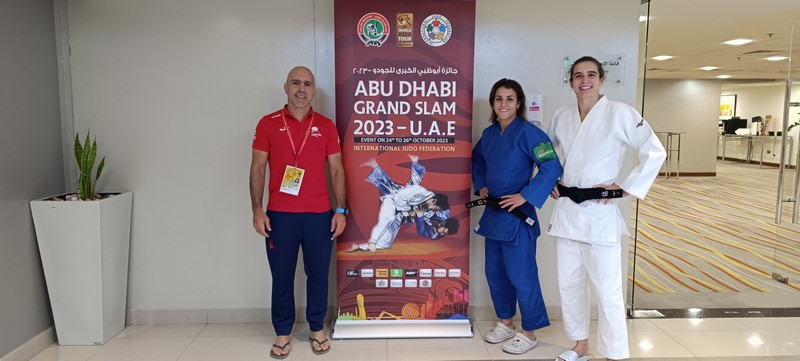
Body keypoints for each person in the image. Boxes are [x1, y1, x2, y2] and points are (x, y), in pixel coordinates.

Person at [547, 56, 666, 361]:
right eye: (577, 75)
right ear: (570, 81)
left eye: (590, 75)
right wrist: (549, 182)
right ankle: (580, 346)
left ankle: (615, 354)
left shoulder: (620, 113)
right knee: (570, 285)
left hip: (599, 213)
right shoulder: (561, 115)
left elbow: (655, 150)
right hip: (568, 212)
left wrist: (626, 187)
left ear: (601, 79)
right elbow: (546, 155)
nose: (584, 80)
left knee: (608, 291)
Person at [250, 66, 347, 359]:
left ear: (314, 90)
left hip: (319, 215)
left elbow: (337, 169)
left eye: (307, 84)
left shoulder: (326, 126)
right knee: (282, 276)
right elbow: (257, 168)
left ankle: (317, 328)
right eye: (296, 83)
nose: (301, 89)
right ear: (286, 87)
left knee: (317, 275)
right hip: (280, 216)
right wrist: (257, 209)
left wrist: (340, 209)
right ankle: (283, 332)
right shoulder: (268, 124)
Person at [471, 78, 562, 355]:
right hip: (494, 214)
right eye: (499, 99)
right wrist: (482, 184)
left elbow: (551, 166)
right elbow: (477, 161)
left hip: (518, 216)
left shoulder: (530, 134)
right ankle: (506, 321)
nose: (504, 104)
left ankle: (530, 331)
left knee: (522, 276)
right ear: (492, 103)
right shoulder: (488, 135)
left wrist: (527, 195)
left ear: (519, 102)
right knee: (495, 273)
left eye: (510, 98)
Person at [347, 155, 458, 252]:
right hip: (399, 201)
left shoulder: (436, 234)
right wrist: (408, 210)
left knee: (386, 243)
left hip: (406, 212)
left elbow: (422, 231)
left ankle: (359, 247)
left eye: (444, 234)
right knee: (396, 195)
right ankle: (377, 165)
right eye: (444, 231)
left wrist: (418, 216)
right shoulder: (440, 208)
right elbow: (401, 197)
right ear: (444, 223)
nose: (442, 234)